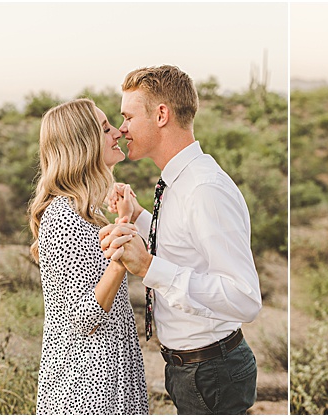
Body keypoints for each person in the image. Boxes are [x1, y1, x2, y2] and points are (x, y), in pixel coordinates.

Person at [98, 65, 262, 414]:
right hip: (193, 370)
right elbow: (182, 244)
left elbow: (246, 299)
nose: (122, 128)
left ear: (161, 115)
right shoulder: (180, 182)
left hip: (212, 374)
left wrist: (147, 266)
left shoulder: (203, 189)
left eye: (128, 116)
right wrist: (140, 216)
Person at [28, 98, 149, 414]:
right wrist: (119, 259)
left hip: (108, 379)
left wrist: (125, 220)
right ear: (84, 144)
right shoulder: (63, 217)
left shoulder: (89, 213)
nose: (117, 133)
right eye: (105, 128)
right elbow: (83, 319)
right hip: (85, 389)